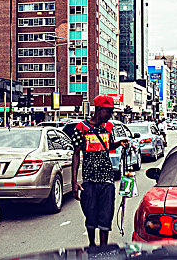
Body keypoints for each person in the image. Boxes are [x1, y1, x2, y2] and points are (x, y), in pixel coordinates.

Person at [71, 95, 128, 247]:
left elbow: (107, 146)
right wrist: (74, 182)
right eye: (109, 112)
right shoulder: (81, 128)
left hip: (107, 179)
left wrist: (119, 143)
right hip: (89, 180)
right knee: (90, 215)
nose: (110, 115)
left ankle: (103, 248)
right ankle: (91, 245)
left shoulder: (108, 127)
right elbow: (76, 154)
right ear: (99, 110)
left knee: (106, 216)